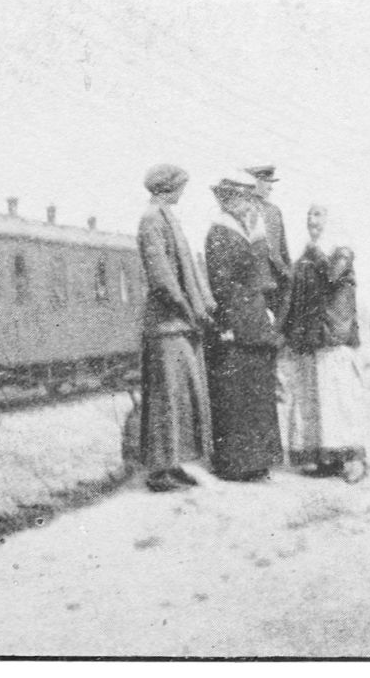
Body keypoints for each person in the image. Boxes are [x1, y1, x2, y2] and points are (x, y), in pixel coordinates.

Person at [136, 164, 214, 493]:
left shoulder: (165, 216)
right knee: (166, 397)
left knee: (180, 395)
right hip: (166, 325)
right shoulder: (152, 219)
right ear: (168, 187)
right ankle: (159, 471)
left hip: (178, 325)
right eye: (181, 186)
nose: (183, 193)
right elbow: (162, 277)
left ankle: (174, 462)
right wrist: (187, 306)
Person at [204, 177, 284, 481]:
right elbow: (221, 284)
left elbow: (265, 276)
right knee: (236, 395)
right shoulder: (220, 231)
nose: (245, 204)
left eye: (247, 199)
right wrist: (228, 324)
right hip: (235, 323)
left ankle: (259, 461)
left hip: (256, 321)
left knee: (258, 391)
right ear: (226, 201)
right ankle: (236, 464)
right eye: (239, 199)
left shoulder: (252, 229)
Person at [282, 204, 367, 483]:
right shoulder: (307, 254)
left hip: (335, 336)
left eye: (318, 214)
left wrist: (315, 253)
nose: (311, 219)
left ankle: (354, 460)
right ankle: (326, 458)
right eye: (309, 214)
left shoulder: (341, 251)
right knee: (317, 400)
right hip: (313, 337)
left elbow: (331, 275)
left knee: (340, 399)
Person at [244, 165, 292, 328]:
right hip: (253, 281)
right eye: (266, 181)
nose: (271, 187)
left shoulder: (274, 211)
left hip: (276, 281)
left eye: (271, 182)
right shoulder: (242, 210)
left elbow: (283, 250)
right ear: (254, 181)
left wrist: (289, 274)